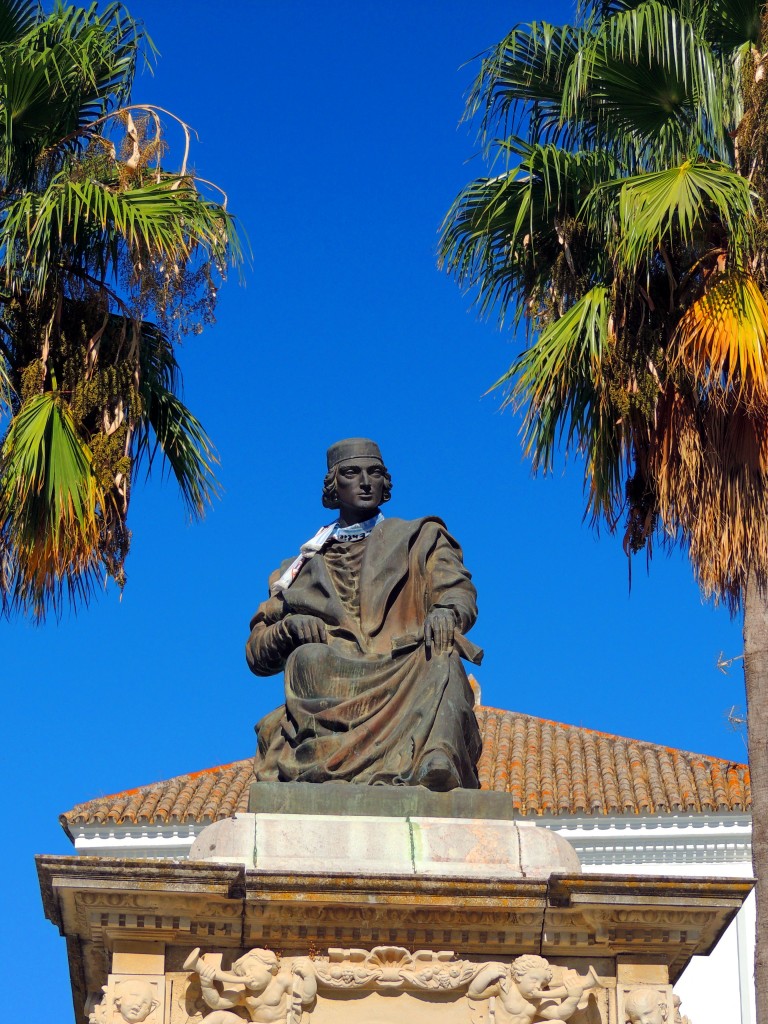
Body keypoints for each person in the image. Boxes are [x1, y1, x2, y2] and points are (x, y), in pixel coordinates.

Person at [246, 438, 482, 791]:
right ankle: (323, 761)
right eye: (352, 473)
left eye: (375, 473)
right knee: (308, 659)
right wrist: (290, 629)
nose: (365, 482)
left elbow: (457, 591)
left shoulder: (420, 538)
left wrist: (446, 612)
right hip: (332, 679)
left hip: (402, 664)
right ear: (333, 486)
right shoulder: (298, 569)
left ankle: (436, 756)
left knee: (443, 658)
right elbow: (256, 653)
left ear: (385, 483)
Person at [193, 947, 316, 1024]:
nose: (248, 975)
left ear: (267, 965)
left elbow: (306, 998)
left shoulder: (281, 980)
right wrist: (207, 984)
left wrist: (309, 976)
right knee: (218, 1016)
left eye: (251, 969)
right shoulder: (244, 992)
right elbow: (217, 1003)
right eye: (244, 973)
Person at [468, 954, 589, 1024]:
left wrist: (573, 997)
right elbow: (474, 993)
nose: (538, 986)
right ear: (519, 976)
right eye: (534, 980)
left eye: (542, 984)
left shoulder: (537, 1000)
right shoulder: (506, 987)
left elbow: (558, 1014)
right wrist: (487, 975)